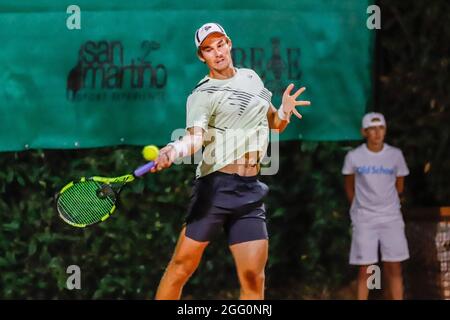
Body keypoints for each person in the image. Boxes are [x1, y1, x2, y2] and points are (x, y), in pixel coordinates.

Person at [150, 22, 310, 300]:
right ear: (202, 57)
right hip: (216, 188)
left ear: (229, 43)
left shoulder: (251, 78)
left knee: (253, 277)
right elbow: (195, 139)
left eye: (220, 44)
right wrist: (172, 151)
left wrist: (283, 112)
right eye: (208, 49)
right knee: (181, 267)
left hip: (250, 190)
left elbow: (273, 123)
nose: (217, 52)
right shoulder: (202, 94)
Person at [342, 112, 410, 300]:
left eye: (380, 127)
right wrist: (359, 207)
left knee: (394, 266)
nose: (377, 132)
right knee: (366, 268)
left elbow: (400, 185)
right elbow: (349, 185)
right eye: (372, 129)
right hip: (364, 218)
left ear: (385, 130)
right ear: (364, 132)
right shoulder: (354, 157)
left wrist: (387, 204)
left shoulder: (395, 155)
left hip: (391, 217)